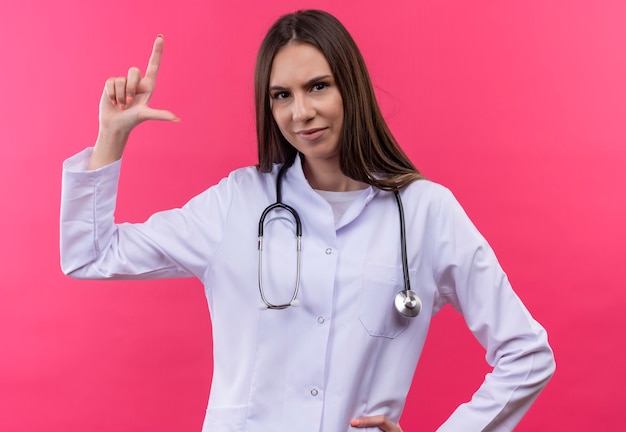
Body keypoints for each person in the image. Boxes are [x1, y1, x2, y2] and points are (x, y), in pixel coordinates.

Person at [60, 9, 555, 432]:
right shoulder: (238, 202)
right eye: (281, 95)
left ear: (351, 86)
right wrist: (112, 137)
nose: (301, 112)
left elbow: (527, 356)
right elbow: (90, 255)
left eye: (318, 86)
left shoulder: (426, 212)